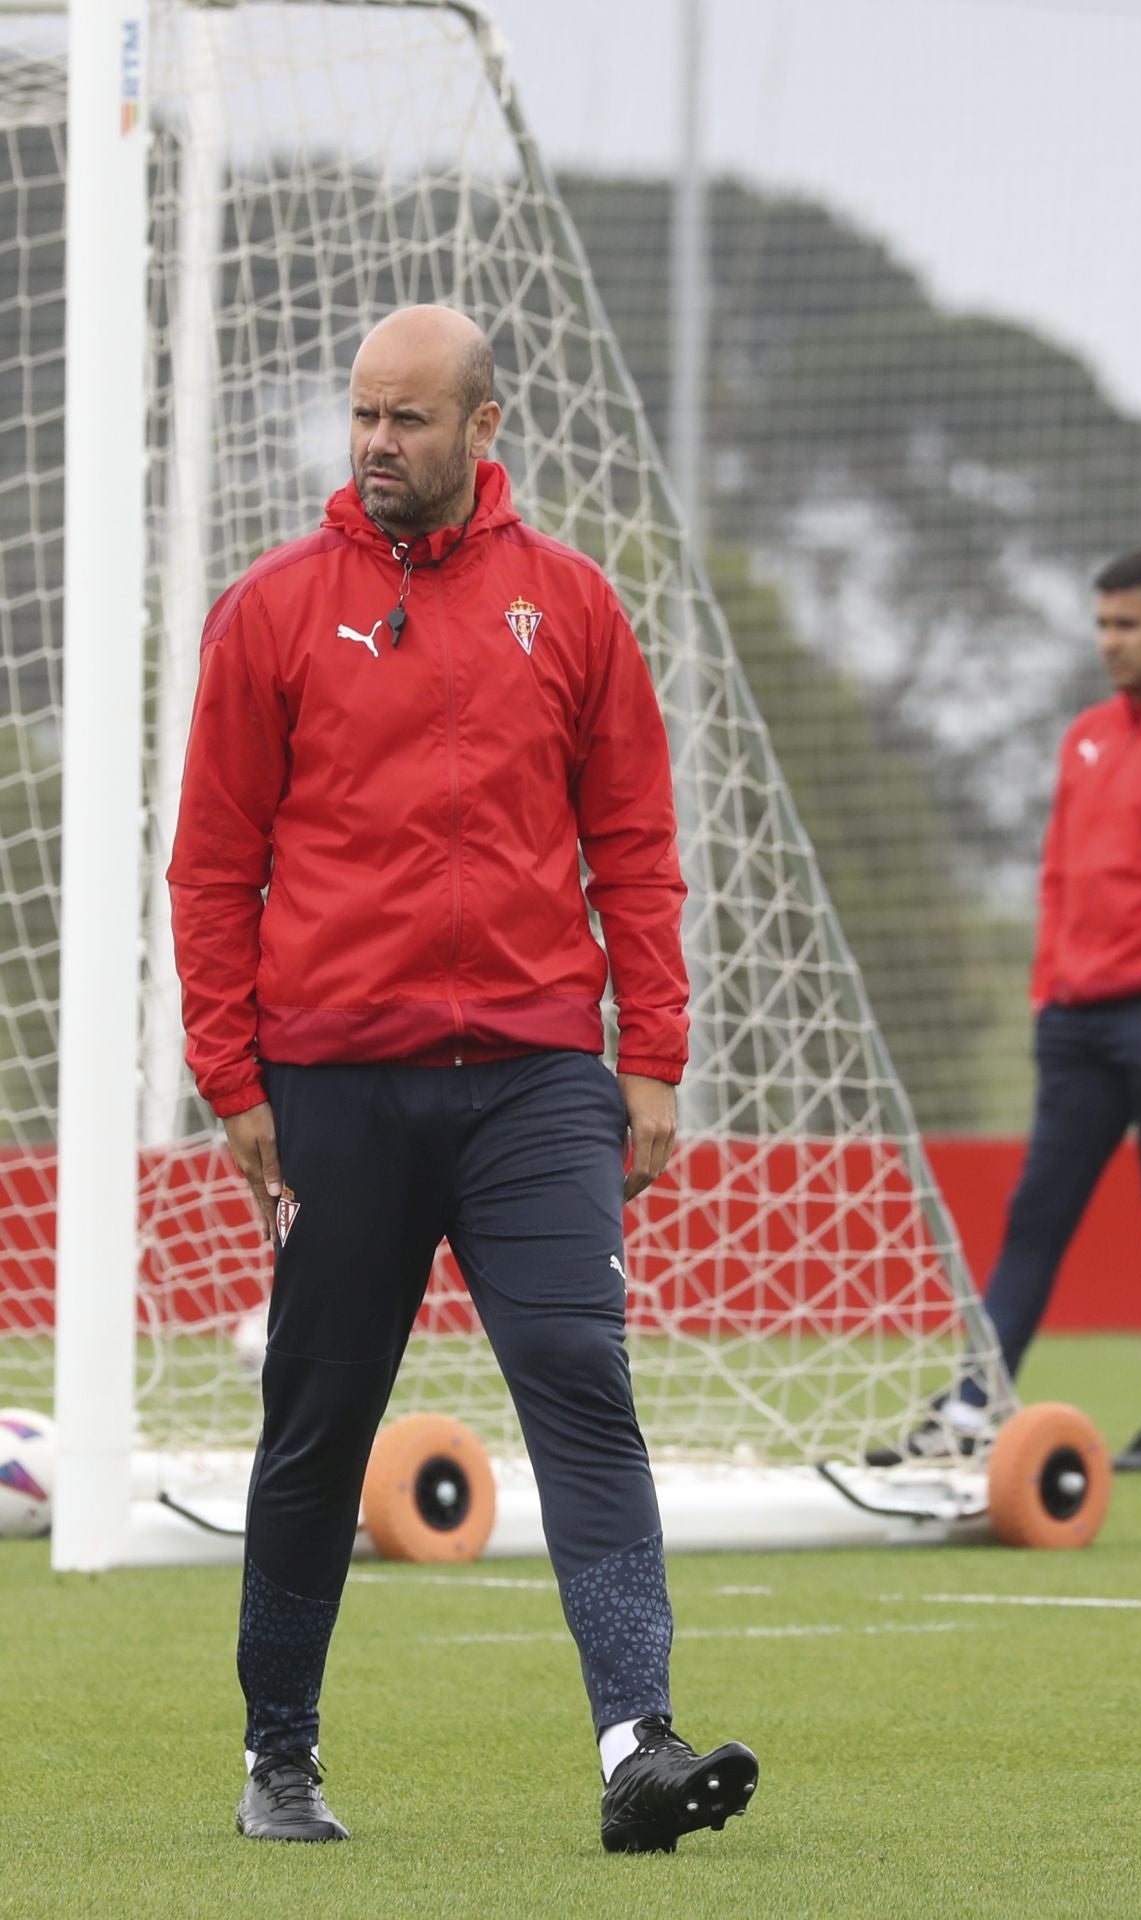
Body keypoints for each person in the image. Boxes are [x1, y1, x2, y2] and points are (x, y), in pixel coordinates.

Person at [168, 304, 758, 1851]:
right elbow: (212, 864)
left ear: (484, 429)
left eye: (408, 419)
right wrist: (233, 1079)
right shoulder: (270, 612)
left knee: (579, 1370)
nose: (375, 443)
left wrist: (655, 1058)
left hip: (536, 1080)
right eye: (363, 414)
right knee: (319, 1419)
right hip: (333, 1089)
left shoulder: (570, 608)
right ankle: (278, 1760)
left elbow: (636, 846)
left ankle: (639, 1744)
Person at [879, 550, 1141, 1473]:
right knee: (1036, 1213)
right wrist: (1046, 988)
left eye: (1129, 625)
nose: (1111, 642)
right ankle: (974, 1408)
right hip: (1079, 1022)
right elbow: (1058, 876)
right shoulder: (1089, 737)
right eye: (1102, 624)